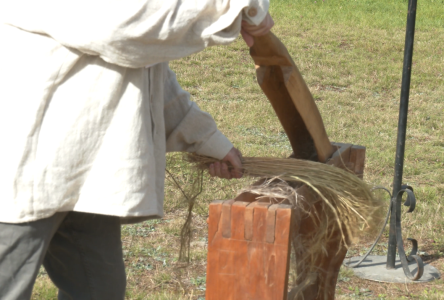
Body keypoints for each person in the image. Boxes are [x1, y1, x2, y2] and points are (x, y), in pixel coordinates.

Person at [0, 1, 274, 299]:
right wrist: (233, 7)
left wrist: (205, 138)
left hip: (85, 176)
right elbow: (122, 28)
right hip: (23, 174)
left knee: (99, 291)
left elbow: (146, 69)